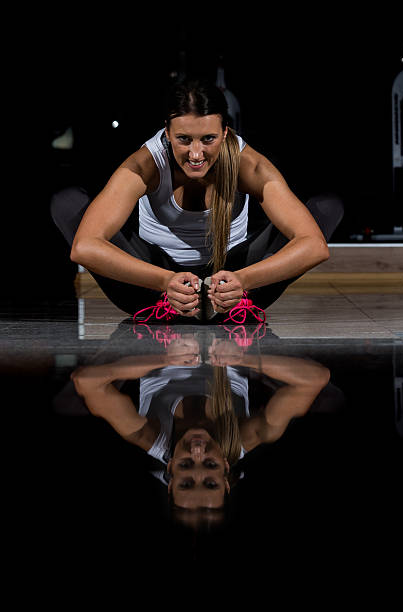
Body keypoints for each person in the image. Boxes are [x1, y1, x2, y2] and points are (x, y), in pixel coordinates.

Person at [51, 78, 344, 323]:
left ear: (225, 132)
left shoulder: (247, 164)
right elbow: (85, 247)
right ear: (167, 133)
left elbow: (314, 246)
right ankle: (166, 305)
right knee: (67, 203)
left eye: (207, 139)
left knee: (326, 207)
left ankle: (231, 305)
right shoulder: (146, 164)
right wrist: (164, 282)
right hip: (156, 288)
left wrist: (244, 280)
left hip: (233, 283)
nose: (195, 154)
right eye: (183, 139)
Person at [69, 330, 333, 529]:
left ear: (170, 474)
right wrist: (246, 359)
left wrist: (163, 357)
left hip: (160, 330)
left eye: (185, 470)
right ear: (226, 472)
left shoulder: (147, 436)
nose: (197, 452)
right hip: (228, 330)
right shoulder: (249, 436)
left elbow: (86, 381)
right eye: (210, 470)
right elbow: (315, 379)